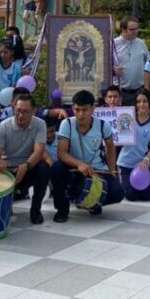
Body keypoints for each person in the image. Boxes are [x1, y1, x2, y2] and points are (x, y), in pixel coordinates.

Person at [52, 90, 123, 222]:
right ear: (72, 108)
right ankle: (62, 210)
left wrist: (112, 170)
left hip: (96, 170)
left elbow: (110, 146)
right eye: (77, 109)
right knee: (57, 168)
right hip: (73, 169)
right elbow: (61, 153)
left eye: (84, 110)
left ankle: (93, 203)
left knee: (118, 192)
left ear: (92, 108)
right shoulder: (67, 124)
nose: (80, 114)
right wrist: (79, 164)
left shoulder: (103, 125)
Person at [0, 92, 50, 224]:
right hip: (8, 169)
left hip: (28, 167)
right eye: (18, 110)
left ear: (33, 111)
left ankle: (36, 210)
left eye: (25, 112)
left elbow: (39, 151)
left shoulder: (40, 124)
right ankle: (4, 205)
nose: (20, 115)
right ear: (13, 108)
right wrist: (0, 162)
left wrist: (26, 165)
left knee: (43, 167)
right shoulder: (3, 126)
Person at [118, 89, 150, 201]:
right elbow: (118, 139)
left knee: (147, 196)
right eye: (138, 101)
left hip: (143, 164)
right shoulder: (127, 118)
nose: (141, 104)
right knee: (131, 196)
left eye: (145, 101)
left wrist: (146, 160)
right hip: (126, 163)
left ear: (149, 103)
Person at [113, 17, 150, 106]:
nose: (135, 32)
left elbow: (149, 64)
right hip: (121, 92)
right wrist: (113, 70)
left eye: (137, 29)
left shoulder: (141, 43)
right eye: (132, 29)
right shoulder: (114, 44)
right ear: (123, 29)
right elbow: (104, 66)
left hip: (139, 91)